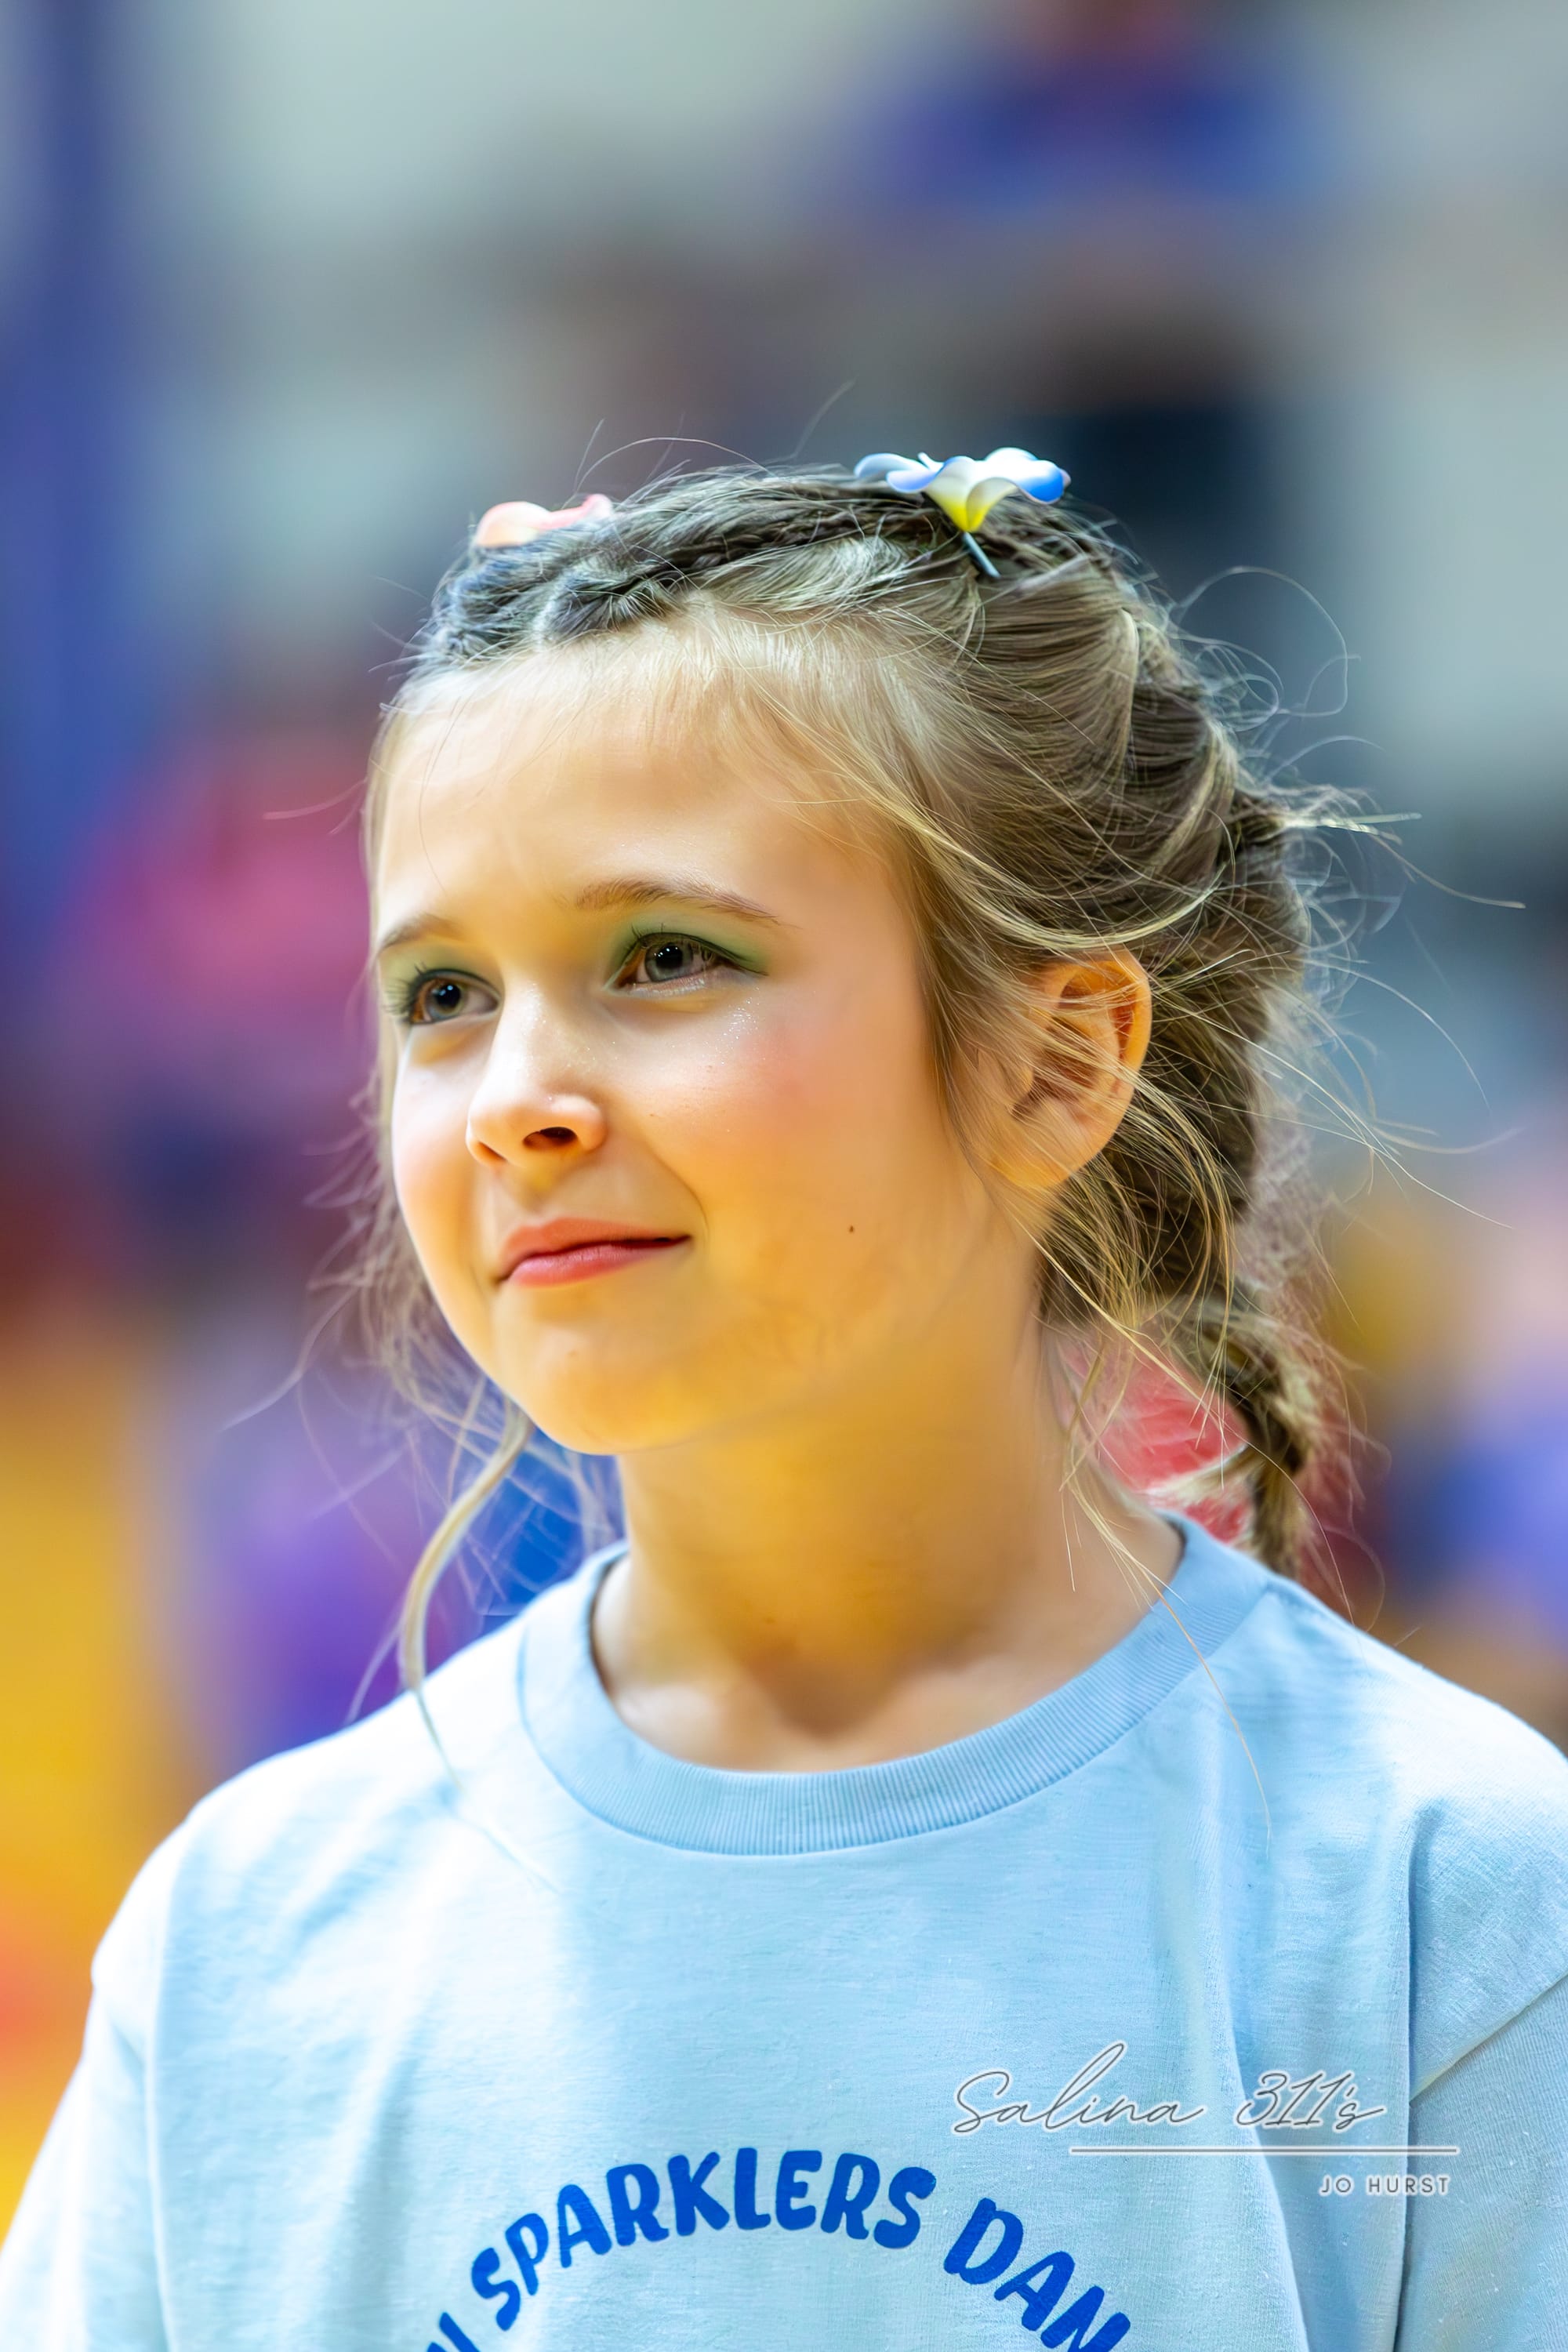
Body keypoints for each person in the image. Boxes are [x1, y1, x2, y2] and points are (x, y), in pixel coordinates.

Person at [3, 452, 1566, 2349]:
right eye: (440, 995)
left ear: (1056, 1060)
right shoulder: (249, 1950)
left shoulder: (1432, 1900)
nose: (516, 1100)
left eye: (667, 959)